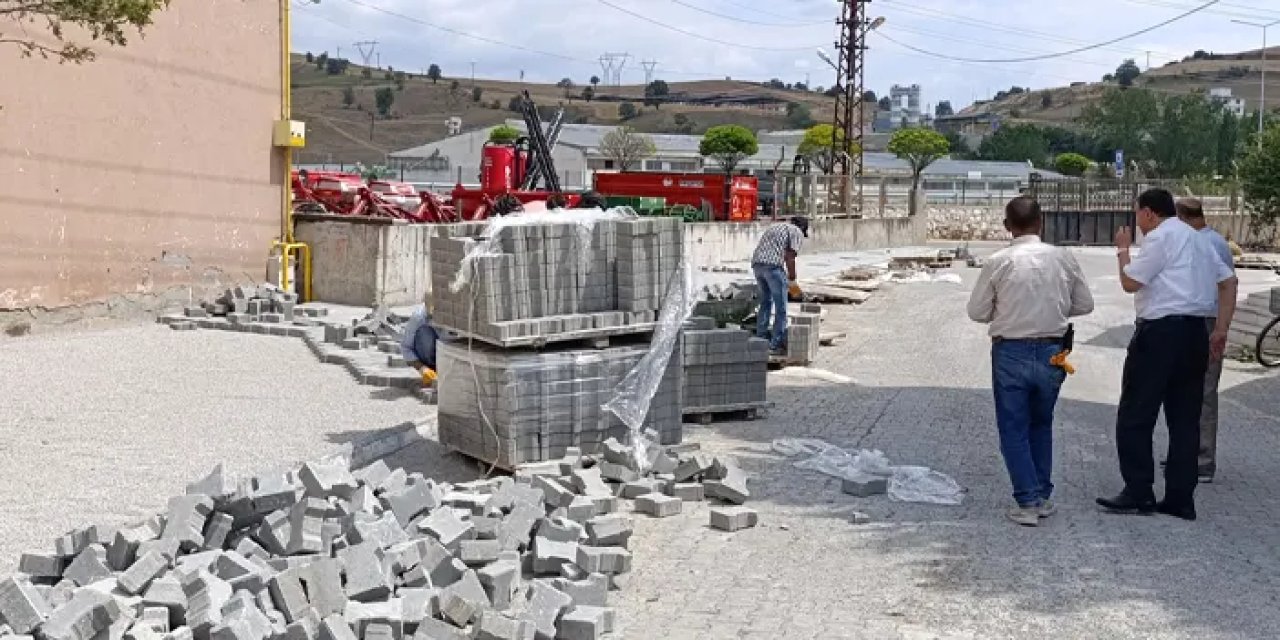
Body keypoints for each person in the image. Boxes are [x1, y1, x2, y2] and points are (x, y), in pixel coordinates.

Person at [1096, 188, 1237, 521]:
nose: (1137, 223)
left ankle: (1139, 491)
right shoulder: (1201, 239)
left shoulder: (1160, 237)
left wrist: (1122, 250)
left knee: (1136, 413)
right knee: (1185, 418)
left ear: (1149, 213)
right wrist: (1220, 329)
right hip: (1195, 333)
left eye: (1138, 214)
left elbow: (1131, 282)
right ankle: (1180, 498)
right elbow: (1229, 282)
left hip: (1160, 333)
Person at [967, 197, 1094, 526]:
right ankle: (1042, 495)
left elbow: (977, 312)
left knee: (1013, 427)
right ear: (1042, 222)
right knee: (1041, 423)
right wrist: (1052, 308)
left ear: (1007, 226)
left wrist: (1010, 310)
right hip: (1053, 350)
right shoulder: (1063, 258)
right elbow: (1085, 304)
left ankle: (1027, 501)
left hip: (1011, 351)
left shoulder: (998, 261)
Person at [1172, 198, 1236, 482]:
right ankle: (1186, 451)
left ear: (1183, 217)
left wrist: (1221, 328)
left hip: (1208, 321)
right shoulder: (1199, 240)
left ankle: (1203, 459)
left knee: (1205, 391)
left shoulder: (1211, 243)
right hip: (1193, 319)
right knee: (1185, 390)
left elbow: (1228, 285)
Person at [751, 216, 808, 355]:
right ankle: (775, 344)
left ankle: (761, 338)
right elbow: (790, 256)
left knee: (765, 302)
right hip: (773, 267)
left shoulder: (776, 227)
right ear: (802, 228)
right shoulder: (796, 231)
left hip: (757, 265)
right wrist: (792, 278)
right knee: (781, 307)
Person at [400, 300, 439, 382]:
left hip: (446, 358)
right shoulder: (419, 317)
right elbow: (406, 348)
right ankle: (431, 367)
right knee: (425, 333)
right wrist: (422, 368)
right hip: (429, 358)